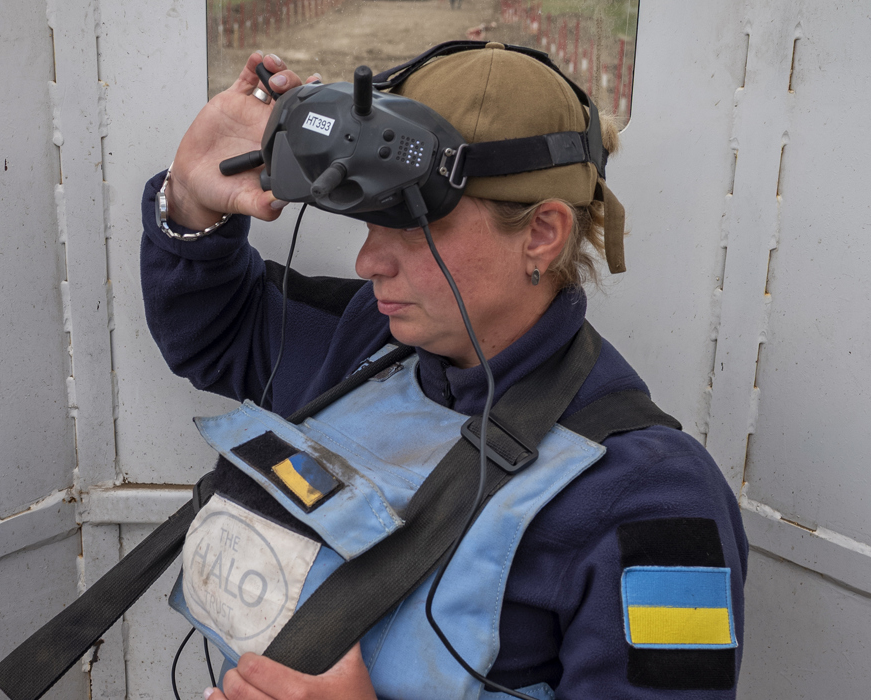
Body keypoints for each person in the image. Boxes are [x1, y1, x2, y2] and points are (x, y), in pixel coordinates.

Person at [141, 45, 747, 700]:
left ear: (542, 234)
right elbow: (215, 333)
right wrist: (191, 199)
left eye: (415, 227)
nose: (370, 260)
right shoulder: (366, 341)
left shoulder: (657, 499)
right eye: (371, 221)